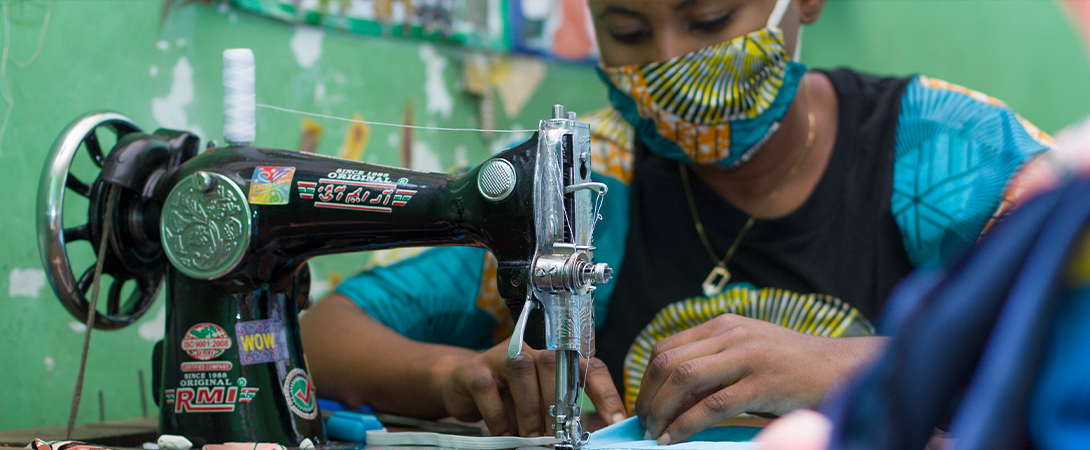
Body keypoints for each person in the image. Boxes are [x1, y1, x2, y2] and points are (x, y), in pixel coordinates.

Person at [300, 0, 1053, 444]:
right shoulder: (596, 182)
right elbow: (321, 334)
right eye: (627, 30)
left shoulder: (952, 153)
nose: (671, 60)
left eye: (709, 17)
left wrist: (846, 366)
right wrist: (451, 376)